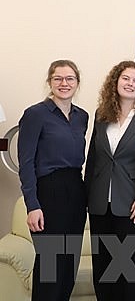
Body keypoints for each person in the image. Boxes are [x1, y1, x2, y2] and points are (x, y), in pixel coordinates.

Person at [84, 61, 135, 300]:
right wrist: (87, 197)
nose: (130, 84)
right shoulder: (101, 113)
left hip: (134, 205)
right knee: (105, 271)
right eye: (126, 79)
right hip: (100, 204)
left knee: (133, 272)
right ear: (115, 81)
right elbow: (94, 157)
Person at [18, 60, 89, 300]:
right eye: (58, 78)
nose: (64, 83)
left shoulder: (82, 117)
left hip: (75, 192)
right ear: (49, 82)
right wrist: (33, 205)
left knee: (68, 265)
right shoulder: (35, 114)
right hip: (48, 192)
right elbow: (26, 163)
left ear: (77, 83)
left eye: (69, 78)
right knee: (50, 267)